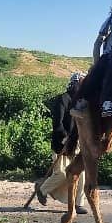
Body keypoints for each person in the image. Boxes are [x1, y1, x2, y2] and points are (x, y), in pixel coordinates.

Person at [35, 72, 88, 214]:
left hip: (77, 143)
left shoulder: (82, 102)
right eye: (80, 83)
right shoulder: (62, 99)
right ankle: (42, 189)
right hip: (61, 143)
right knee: (62, 174)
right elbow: (57, 124)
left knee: (80, 173)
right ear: (74, 83)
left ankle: (78, 203)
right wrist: (65, 137)